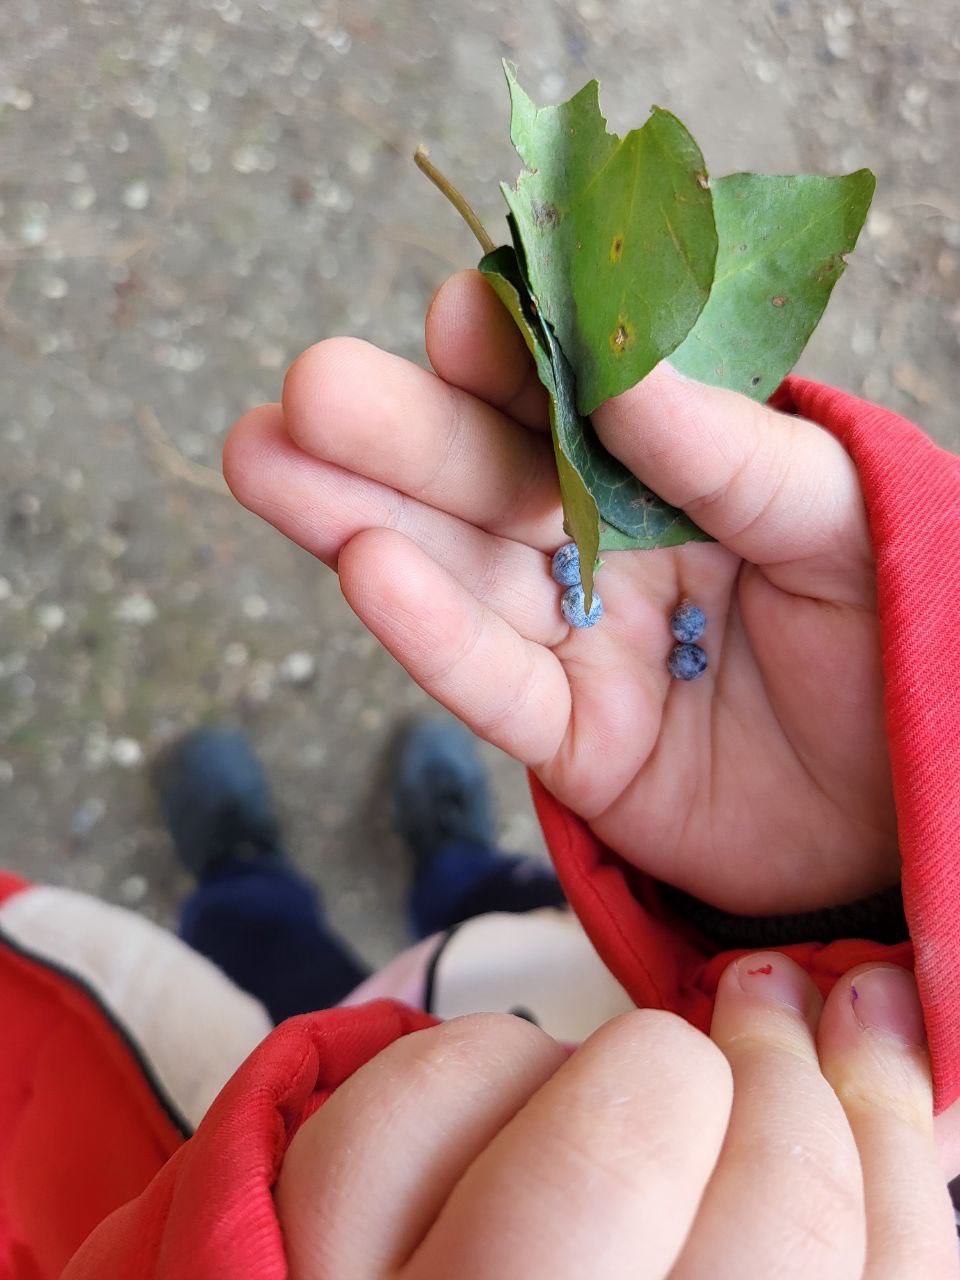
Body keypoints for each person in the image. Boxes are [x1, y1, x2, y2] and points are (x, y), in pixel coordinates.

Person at [1, 267, 958, 1277]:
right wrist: (880, 876)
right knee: (493, 903)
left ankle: (243, 878)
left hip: (173, 1137)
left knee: (259, 951)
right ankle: (448, 862)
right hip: (562, 969)